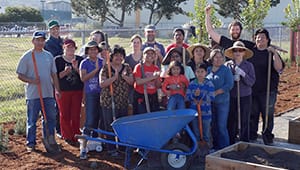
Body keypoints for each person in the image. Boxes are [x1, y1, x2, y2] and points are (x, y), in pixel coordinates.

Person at [16, 31, 61, 153]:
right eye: (38, 40)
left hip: (48, 93)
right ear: (33, 41)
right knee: (32, 120)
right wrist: (32, 80)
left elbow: (54, 74)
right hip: (33, 95)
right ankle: (31, 143)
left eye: (42, 40)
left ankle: (50, 139)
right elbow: (19, 74)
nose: (40, 42)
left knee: (50, 118)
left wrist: (57, 89)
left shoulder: (49, 56)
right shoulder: (27, 56)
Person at [248, 29, 284, 144]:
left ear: (267, 40)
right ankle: (252, 135)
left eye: (263, 37)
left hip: (268, 90)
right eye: (258, 37)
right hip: (253, 90)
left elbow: (279, 68)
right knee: (253, 114)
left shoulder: (271, 53)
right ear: (255, 39)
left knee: (267, 115)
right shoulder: (251, 53)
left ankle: (267, 136)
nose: (260, 39)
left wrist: (274, 53)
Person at [100, 45, 134, 157]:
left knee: (122, 125)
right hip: (108, 101)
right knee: (110, 125)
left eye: (120, 55)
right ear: (112, 57)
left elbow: (132, 82)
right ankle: (111, 149)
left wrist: (123, 76)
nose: (118, 58)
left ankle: (122, 147)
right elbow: (102, 83)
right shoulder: (106, 67)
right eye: (116, 55)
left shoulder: (127, 67)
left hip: (122, 101)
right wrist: (114, 77)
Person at [224, 41, 255, 144]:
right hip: (232, 96)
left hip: (245, 96)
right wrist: (232, 79)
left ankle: (244, 141)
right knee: (231, 119)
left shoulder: (249, 65)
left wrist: (243, 75)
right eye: (235, 50)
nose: (237, 52)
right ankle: (231, 141)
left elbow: (251, 82)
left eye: (240, 50)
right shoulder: (227, 65)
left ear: (244, 53)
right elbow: (225, 81)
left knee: (244, 118)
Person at [54, 39, 84, 145]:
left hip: (77, 90)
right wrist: (65, 72)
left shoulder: (80, 59)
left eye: (72, 47)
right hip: (63, 91)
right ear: (64, 48)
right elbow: (55, 76)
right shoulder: (58, 60)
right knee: (64, 114)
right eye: (68, 47)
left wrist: (76, 69)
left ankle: (76, 134)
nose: (70, 49)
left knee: (75, 113)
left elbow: (83, 76)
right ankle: (67, 135)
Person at [79, 40, 103, 159]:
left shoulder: (103, 62)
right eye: (91, 49)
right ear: (87, 51)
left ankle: (95, 142)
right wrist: (95, 70)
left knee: (99, 119)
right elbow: (83, 78)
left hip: (102, 94)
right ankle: (83, 147)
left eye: (95, 49)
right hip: (90, 93)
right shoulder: (84, 63)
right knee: (90, 119)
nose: (93, 51)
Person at [206, 49, 233, 150]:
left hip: (223, 102)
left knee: (222, 126)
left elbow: (229, 85)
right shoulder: (208, 70)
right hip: (210, 103)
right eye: (216, 57)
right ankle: (215, 146)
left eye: (220, 57)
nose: (219, 59)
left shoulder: (226, 70)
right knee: (213, 125)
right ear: (212, 59)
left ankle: (225, 148)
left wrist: (216, 92)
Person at [186, 64, 215, 146]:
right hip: (195, 113)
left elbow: (212, 97)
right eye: (198, 71)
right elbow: (187, 97)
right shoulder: (192, 84)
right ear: (195, 73)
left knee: (207, 132)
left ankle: (209, 149)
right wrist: (194, 95)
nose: (200, 74)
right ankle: (197, 150)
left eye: (202, 71)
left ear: (206, 72)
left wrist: (202, 95)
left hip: (206, 113)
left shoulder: (209, 84)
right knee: (196, 132)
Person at [44, 20, 64, 138]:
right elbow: (54, 58)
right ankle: (56, 128)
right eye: (53, 29)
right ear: (49, 30)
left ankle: (62, 126)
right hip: (53, 74)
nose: (55, 31)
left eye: (57, 28)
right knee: (55, 102)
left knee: (62, 101)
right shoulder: (48, 43)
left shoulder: (62, 41)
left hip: (63, 74)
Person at [133, 47, 161, 114]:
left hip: (153, 96)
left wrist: (157, 78)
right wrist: (152, 77)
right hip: (141, 95)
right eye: (148, 53)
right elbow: (138, 82)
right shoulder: (139, 67)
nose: (150, 55)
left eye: (152, 54)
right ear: (143, 55)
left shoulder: (156, 68)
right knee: (141, 116)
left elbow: (158, 86)